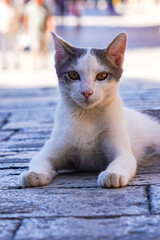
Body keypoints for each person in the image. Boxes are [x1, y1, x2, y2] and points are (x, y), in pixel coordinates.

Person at [24, 0, 55, 69]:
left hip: (44, 30)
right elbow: (25, 18)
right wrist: (26, 30)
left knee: (45, 47)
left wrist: (50, 29)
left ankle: (44, 62)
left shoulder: (46, 7)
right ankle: (35, 63)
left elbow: (49, 19)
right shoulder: (30, 6)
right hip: (34, 31)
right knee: (35, 47)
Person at [0, 0, 19, 69]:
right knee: (3, 48)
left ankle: (16, 63)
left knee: (14, 48)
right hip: (3, 31)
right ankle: (4, 64)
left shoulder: (13, 7)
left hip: (12, 31)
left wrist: (15, 28)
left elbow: (16, 19)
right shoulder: (1, 7)